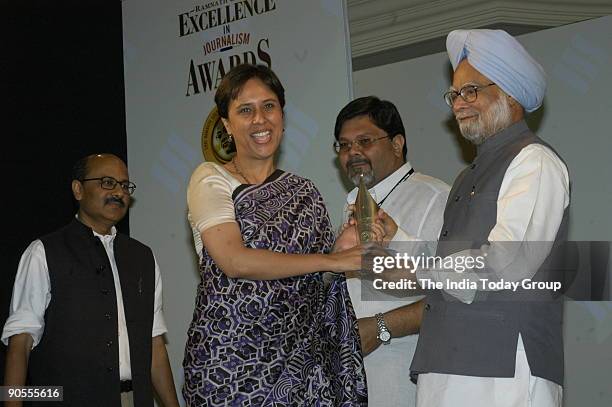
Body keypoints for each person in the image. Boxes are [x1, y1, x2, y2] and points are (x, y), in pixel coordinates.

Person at [182, 64, 369, 406]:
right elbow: (234, 261)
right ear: (226, 124)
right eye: (245, 110)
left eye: (269, 106)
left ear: (282, 115)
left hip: (297, 371)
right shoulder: (210, 178)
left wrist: (341, 253)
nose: (260, 120)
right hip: (228, 368)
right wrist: (331, 259)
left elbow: (316, 285)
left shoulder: (304, 193)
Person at [405, 29, 570, 407]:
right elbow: (452, 260)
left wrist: (420, 268)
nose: (458, 104)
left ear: (510, 93)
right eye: (454, 94)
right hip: (446, 363)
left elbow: (508, 261)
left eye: (470, 91)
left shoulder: (534, 161)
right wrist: (396, 240)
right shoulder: (468, 176)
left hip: (503, 368)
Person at [2, 154, 180, 407]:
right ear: (78, 189)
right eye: (107, 182)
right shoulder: (43, 252)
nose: (119, 192)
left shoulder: (142, 257)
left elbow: (155, 346)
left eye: (124, 185)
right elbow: (20, 342)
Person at [332, 96, 449, 406]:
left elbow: (453, 294)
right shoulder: (351, 207)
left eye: (365, 141)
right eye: (343, 146)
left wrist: (380, 328)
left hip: (404, 376)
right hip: (350, 379)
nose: (352, 152)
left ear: (397, 144)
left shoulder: (435, 198)